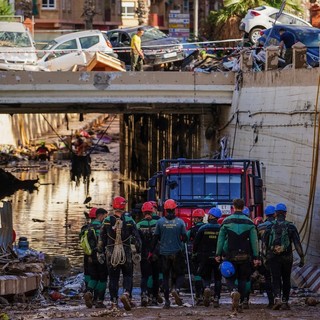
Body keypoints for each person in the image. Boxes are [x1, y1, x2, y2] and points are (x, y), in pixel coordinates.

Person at [215, 198, 260, 313]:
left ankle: (233, 291)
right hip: (245, 256)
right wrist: (256, 257)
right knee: (243, 279)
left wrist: (218, 254)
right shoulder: (249, 222)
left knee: (229, 276)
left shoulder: (226, 221)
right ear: (244, 207)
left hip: (231, 255)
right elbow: (254, 242)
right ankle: (240, 302)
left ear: (233, 207)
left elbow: (220, 240)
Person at [97, 196, 141, 310]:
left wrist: (100, 252)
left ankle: (114, 302)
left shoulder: (107, 221)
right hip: (126, 253)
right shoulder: (130, 221)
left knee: (113, 278)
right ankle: (127, 294)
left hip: (112, 254)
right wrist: (138, 252)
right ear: (124, 206)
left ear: (113, 206)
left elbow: (101, 239)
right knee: (128, 275)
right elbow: (137, 239)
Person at [262, 203, 304, 310]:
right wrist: (302, 258)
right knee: (286, 279)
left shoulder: (269, 226)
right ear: (285, 213)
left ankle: (277, 299)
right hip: (287, 257)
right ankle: (285, 302)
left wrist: (265, 258)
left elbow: (263, 244)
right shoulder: (291, 226)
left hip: (273, 257)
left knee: (275, 278)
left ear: (275, 214)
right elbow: (297, 244)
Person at [152, 199, 187, 308]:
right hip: (177, 252)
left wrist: (151, 252)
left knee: (166, 277)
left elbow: (155, 238)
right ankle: (176, 289)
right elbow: (185, 238)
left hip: (164, 253)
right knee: (180, 274)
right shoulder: (180, 222)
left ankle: (167, 302)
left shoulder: (160, 222)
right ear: (175, 209)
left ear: (165, 210)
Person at [193, 207, 222, 308]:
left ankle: (206, 288)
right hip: (217, 257)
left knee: (206, 276)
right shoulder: (221, 228)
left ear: (210, 216)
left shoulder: (203, 228)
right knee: (218, 278)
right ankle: (216, 298)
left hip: (204, 256)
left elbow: (195, 243)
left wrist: (194, 253)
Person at [82, 208, 108, 308]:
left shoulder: (85, 228)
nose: (105, 219)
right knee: (103, 278)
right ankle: (99, 301)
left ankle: (88, 292)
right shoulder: (102, 227)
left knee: (93, 277)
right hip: (101, 256)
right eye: (104, 216)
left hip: (89, 256)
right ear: (100, 216)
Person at [137, 201, 160, 306]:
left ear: (143, 212)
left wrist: (138, 251)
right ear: (152, 211)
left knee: (145, 276)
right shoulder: (158, 223)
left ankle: (144, 294)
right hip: (156, 253)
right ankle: (154, 298)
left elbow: (135, 240)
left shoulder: (139, 224)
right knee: (155, 276)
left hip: (144, 253)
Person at [256, 205, 276, 308]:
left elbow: (257, 242)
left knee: (268, 278)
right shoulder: (280, 225)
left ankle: (271, 302)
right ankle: (280, 299)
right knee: (278, 278)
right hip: (279, 256)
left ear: (266, 215)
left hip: (266, 257)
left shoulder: (260, 227)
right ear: (275, 214)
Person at [187, 208, 205, 305]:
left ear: (195, 219)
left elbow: (185, 239)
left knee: (197, 275)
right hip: (206, 255)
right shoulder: (207, 228)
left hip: (196, 255)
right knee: (206, 275)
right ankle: (208, 292)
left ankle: (199, 296)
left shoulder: (192, 230)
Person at [80, 207, 97, 291]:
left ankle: (87, 290)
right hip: (96, 255)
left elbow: (81, 239)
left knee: (87, 272)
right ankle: (96, 296)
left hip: (86, 253)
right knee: (98, 276)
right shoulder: (101, 227)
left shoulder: (84, 228)